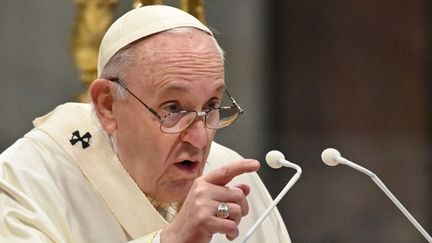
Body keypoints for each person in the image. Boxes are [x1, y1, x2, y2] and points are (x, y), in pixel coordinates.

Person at [0, 5, 290, 243]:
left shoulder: (232, 176)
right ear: (108, 106)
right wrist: (172, 239)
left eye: (212, 106)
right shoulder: (27, 178)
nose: (200, 140)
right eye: (173, 108)